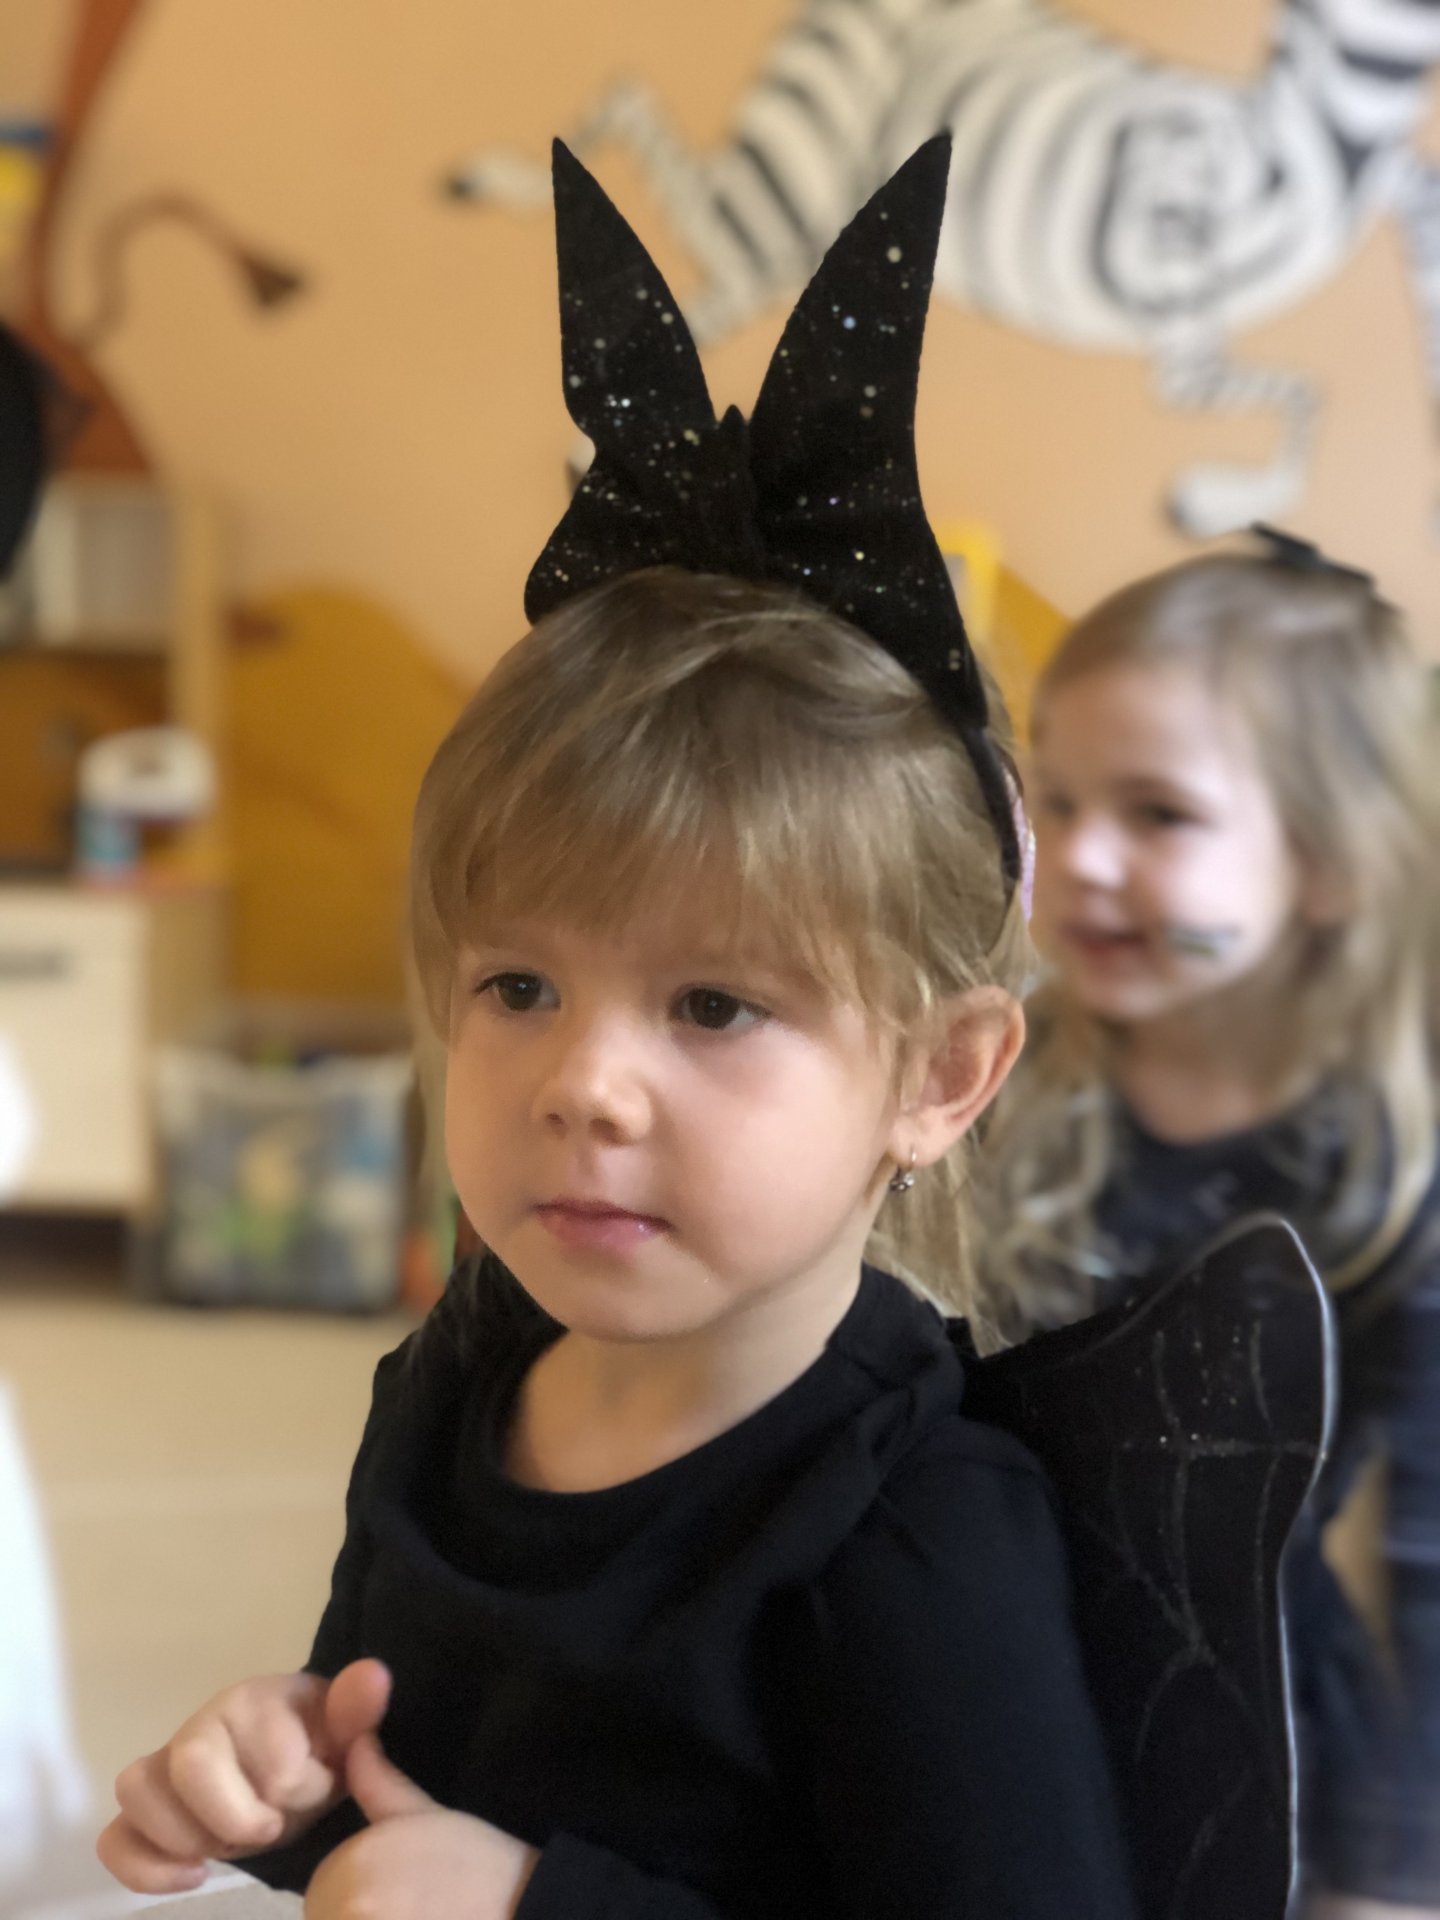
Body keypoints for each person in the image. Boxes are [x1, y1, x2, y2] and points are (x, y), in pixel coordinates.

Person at [94, 140, 1135, 1920]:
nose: (582, 1085)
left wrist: (531, 1905)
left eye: (715, 1004)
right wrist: (283, 1772)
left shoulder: (911, 1539)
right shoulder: (457, 1376)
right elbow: (404, 1785)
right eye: (519, 987)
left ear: (940, 1076)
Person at [978, 534, 1440, 1919]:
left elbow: (1430, 1553)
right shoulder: (997, 1081)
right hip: (990, 1665)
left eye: (1159, 815)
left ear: (1332, 865)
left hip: (1257, 1724)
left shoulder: (1393, 1174)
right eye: (1057, 801)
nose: (1080, 858)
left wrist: (1397, 1875)